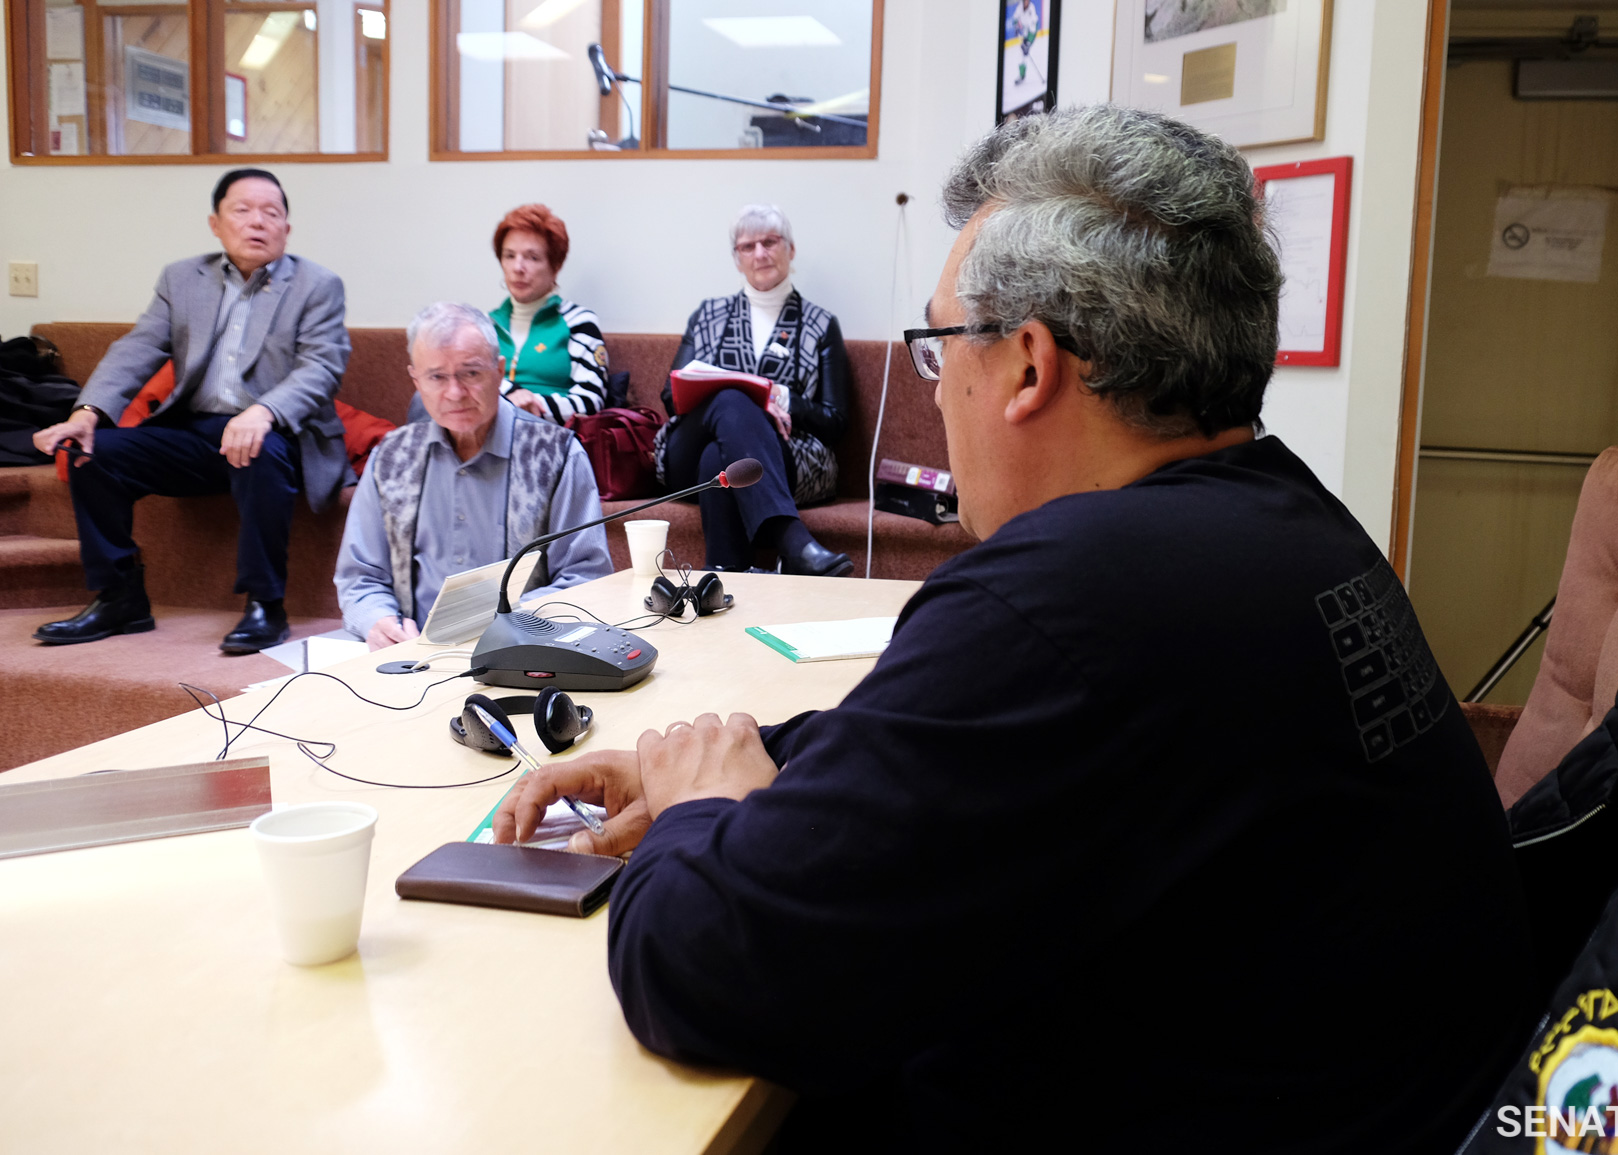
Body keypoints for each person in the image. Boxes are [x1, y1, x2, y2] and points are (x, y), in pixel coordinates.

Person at [493, 107, 1535, 1152]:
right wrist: (741, 756)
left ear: (1031, 367)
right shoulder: (1284, 521)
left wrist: (697, 810)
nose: (939, 387)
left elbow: (701, 969)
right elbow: (969, 753)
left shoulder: (1068, 596)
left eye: (938, 346)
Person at [31, 168, 350, 654]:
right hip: (194, 433)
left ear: (287, 229)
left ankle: (266, 604)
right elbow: (137, 348)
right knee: (90, 453)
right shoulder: (181, 278)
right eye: (242, 210)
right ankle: (120, 596)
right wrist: (88, 413)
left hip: (278, 434)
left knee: (260, 449)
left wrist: (263, 411)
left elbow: (321, 368)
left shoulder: (317, 285)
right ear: (215, 224)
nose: (257, 222)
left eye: (271, 213)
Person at [335, 302, 611, 650]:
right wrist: (378, 622)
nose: (455, 393)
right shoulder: (390, 457)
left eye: (470, 373)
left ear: (499, 372)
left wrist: (504, 622)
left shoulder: (557, 455)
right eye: (437, 377)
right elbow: (360, 577)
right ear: (416, 380)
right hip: (411, 656)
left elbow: (585, 577)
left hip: (522, 653)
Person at [655, 205, 853, 576]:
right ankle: (792, 541)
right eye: (748, 246)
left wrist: (780, 397)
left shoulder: (820, 324)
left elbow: (836, 421)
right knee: (731, 400)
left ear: (790, 249)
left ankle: (724, 574)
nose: (759, 253)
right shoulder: (707, 316)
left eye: (770, 242)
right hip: (686, 451)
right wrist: (750, 397)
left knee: (718, 460)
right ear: (737, 258)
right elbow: (671, 397)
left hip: (786, 458)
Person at [491, 204, 610, 426]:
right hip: (486, 433)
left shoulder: (578, 322)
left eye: (532, 257)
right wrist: (510, 393)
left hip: (548, 434)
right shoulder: (484, 325)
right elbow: (463, 385)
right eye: (509, 256)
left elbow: (591, 400)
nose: (518, 267)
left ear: (555, 266)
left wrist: (530, 405)